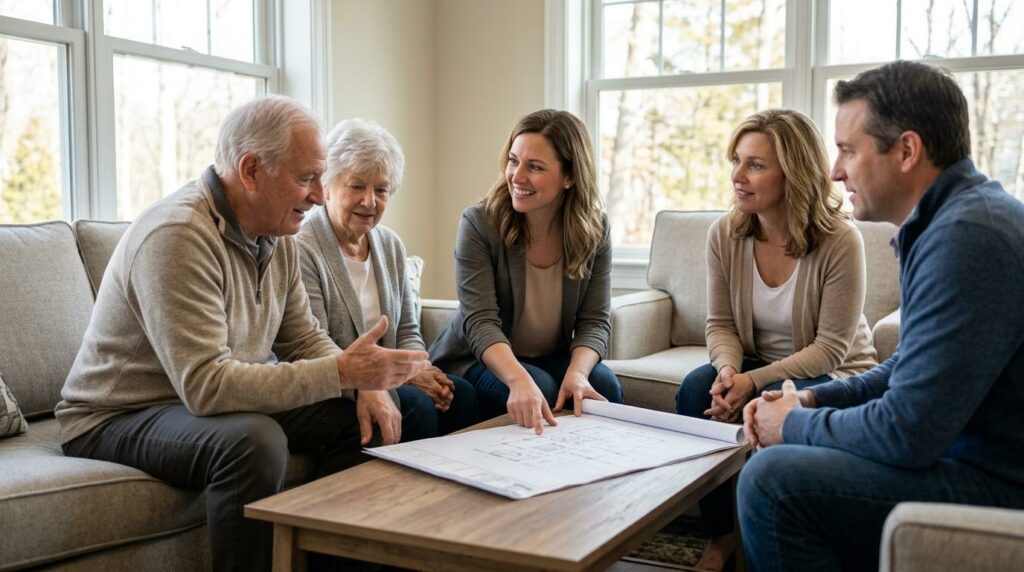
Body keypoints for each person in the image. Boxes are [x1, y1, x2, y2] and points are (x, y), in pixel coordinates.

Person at [55, 96, 430, 572]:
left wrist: (364, 385)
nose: (318, 195)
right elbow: (207, 387)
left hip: (194, 400)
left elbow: (303, 338)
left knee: (359, 414)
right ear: (251, 170)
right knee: (254, 441)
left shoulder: (278, 234)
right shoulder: (178, 235)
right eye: (305, 178)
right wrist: (342, 372)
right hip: (118, 413)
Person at [739, 61, 1024, 571]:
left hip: (999, 480)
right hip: (972, 456)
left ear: (907, 150)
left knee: (773, 480)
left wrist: (796, 423)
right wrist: (811, 397)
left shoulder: (969, 238)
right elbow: (906, 371)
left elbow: (907, 433)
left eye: (848, 149)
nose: (835, 171)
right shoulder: (952, 222)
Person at [676, 108, 879, 571]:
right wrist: (729, 371)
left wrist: (753, 383)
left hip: (832, 372)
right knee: (696, 388)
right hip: (755, 362)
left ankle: (778, 537)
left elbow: (830, 348)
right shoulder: (725, 234)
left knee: (784, 396)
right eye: (736, 161)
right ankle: (721, 539)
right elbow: (721, 324)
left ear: (794, 173)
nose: (737, 176)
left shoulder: (840, 241)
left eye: (755, 164)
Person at [429, 109, 623, 433]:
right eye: (514, 161)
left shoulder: (595, 229)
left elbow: (595, 321)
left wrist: (577, 373)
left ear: (569, 177)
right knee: (541, 387)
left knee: (604, 385)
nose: (517, 177)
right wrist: (519, 380)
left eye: (534, 167)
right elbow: (480, 322)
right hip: (478, 360)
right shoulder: (479, 224)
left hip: (550, 356)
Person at [296, 118, 479, 443]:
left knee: (460, 394)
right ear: (327, 185)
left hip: (392, 378)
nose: (370, 201)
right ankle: (407, 494)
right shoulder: (303, 246)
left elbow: (408, 329)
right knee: (417, 406)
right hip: (340, 384)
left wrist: (418, 369)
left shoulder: (389, 244)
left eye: (381, 189)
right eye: (356, 186)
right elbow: (315, 343)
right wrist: (400, 379)